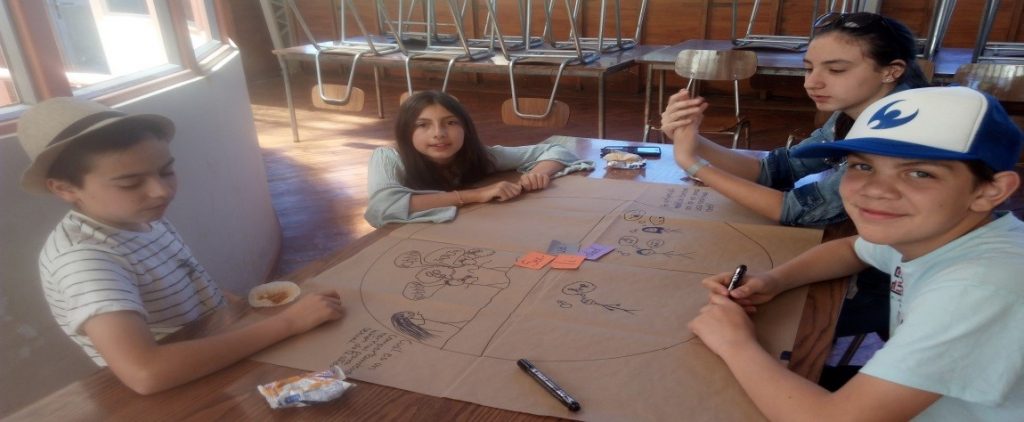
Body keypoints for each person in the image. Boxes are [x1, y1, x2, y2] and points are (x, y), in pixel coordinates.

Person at [689, 86, 1024, 420]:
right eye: (862, 166)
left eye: (919, 173)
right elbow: (853, 248)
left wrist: (734, 343)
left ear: (990, 191)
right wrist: (774, 280)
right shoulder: (934, 231)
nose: (874, 189)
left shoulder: (980, 287)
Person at [17, 98, 344, 395]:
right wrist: (288, 323)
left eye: (166, 171)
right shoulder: (83, 261)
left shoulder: (140, 218)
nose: (160, 191)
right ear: (65, 189)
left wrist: (244, 308)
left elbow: (186, 282)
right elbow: (146, 372)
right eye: (131, 183)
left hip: (218, 354)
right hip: (182, 391)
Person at [661, 12, 930, 227]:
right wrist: (691, 138)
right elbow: (776, 170)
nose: (811, 83)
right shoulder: (851, 114)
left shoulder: (900, 133)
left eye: (836, 70)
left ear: (891, 71)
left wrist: (692, 163)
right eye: (809, 68)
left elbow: (797, 210)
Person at [365, 91, 592, 228]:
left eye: (450, 123)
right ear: (406, 132)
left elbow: (554, 150)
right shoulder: (388, 157)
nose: (439, 134)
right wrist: (476, 194)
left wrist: (536, 174)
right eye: (423, 125)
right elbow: (382, 207)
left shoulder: (478, 155)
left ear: (466, 128)